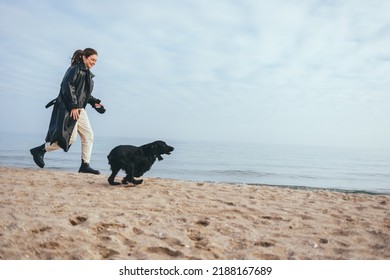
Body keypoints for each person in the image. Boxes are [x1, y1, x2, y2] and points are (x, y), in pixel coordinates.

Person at [30, 48, 105, 174]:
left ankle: (85, 165)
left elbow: (83, 94)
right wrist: (73, 106)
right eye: (92, 59)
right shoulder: (74, 69)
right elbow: (67, 86)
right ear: (84, 57)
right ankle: (40, 150)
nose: (94, 62)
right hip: (70, 109)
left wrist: (94, 102)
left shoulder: (87, 74)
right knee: (69, 138)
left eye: (95, 61)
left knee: (89, 136)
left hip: (79, 109)